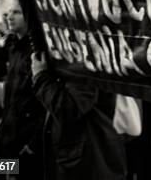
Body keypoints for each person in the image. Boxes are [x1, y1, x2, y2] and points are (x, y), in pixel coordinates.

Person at [31, 51, 127, 180]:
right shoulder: (73, 55)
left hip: (87, 160)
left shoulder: (83, 57)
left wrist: (40, 77)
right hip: (79, 156)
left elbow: (69, 109)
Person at [0, 3, 45, 180]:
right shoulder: (13, 48)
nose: (9, 16)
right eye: (8, 12)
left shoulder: (38, 50)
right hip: (11, 134)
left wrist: (34, 142)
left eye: (16, 12)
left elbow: (43, 100)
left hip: (28, 139)